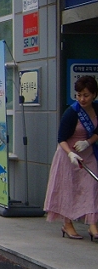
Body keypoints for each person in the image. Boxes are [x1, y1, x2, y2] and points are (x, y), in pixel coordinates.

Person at [44, 75, 98, 240]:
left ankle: (93, 224)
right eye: (79, 95)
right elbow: (61, 139)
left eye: (86, 95)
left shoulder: (97, 109)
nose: (82, 99)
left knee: (92, 187)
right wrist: (70, 153)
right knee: (68, 189)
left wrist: (88, 142)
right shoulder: (72, 112)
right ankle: (67, 224)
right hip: (68, 155)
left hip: (87, 154)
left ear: (94, 95)